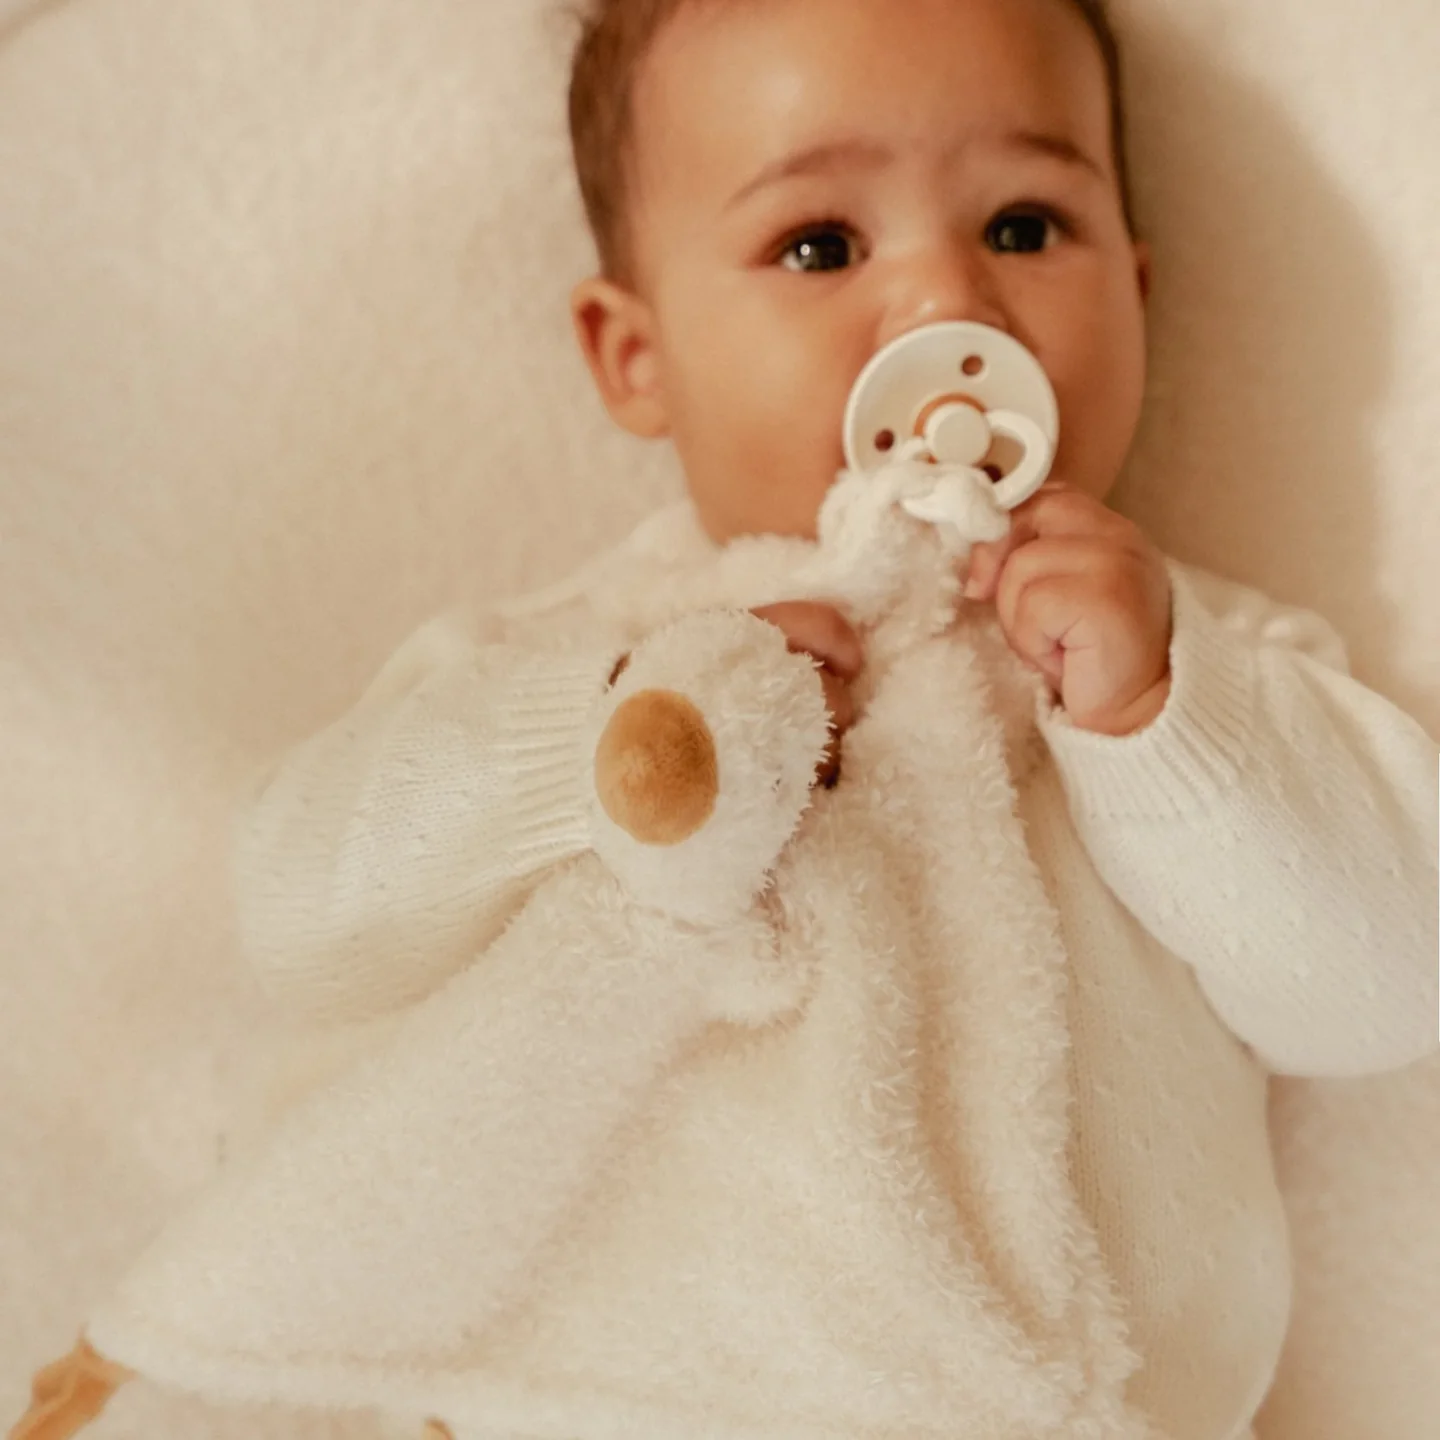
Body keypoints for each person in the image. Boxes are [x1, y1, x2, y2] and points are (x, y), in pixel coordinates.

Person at [226, 2, 1438, 1437]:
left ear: (1137, 286)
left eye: (1026, 226)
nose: (945, 306)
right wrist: (612, 751)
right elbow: (298, 914)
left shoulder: (1206, 664)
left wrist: (1163, 720)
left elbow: (1386, 988)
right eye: (819, 246)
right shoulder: (578, 658)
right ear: (636, 355)